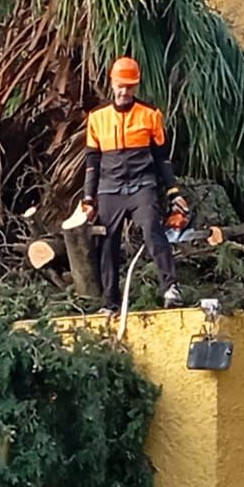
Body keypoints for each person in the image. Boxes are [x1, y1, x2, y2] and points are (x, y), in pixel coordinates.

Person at [81, 56, 188, 316]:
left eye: (129, 86)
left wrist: (173, 192)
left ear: (136, 86)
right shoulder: (97, 117)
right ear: (112, 84)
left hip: (142, 185)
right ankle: (110, 303)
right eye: (120, 85)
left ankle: (170, 288)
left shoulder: (150, 114)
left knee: (152, 229)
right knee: (107, 242)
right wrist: (88, 198)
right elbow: (92, 161)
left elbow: (162, 158)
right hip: (110, 187)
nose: (124, 91)